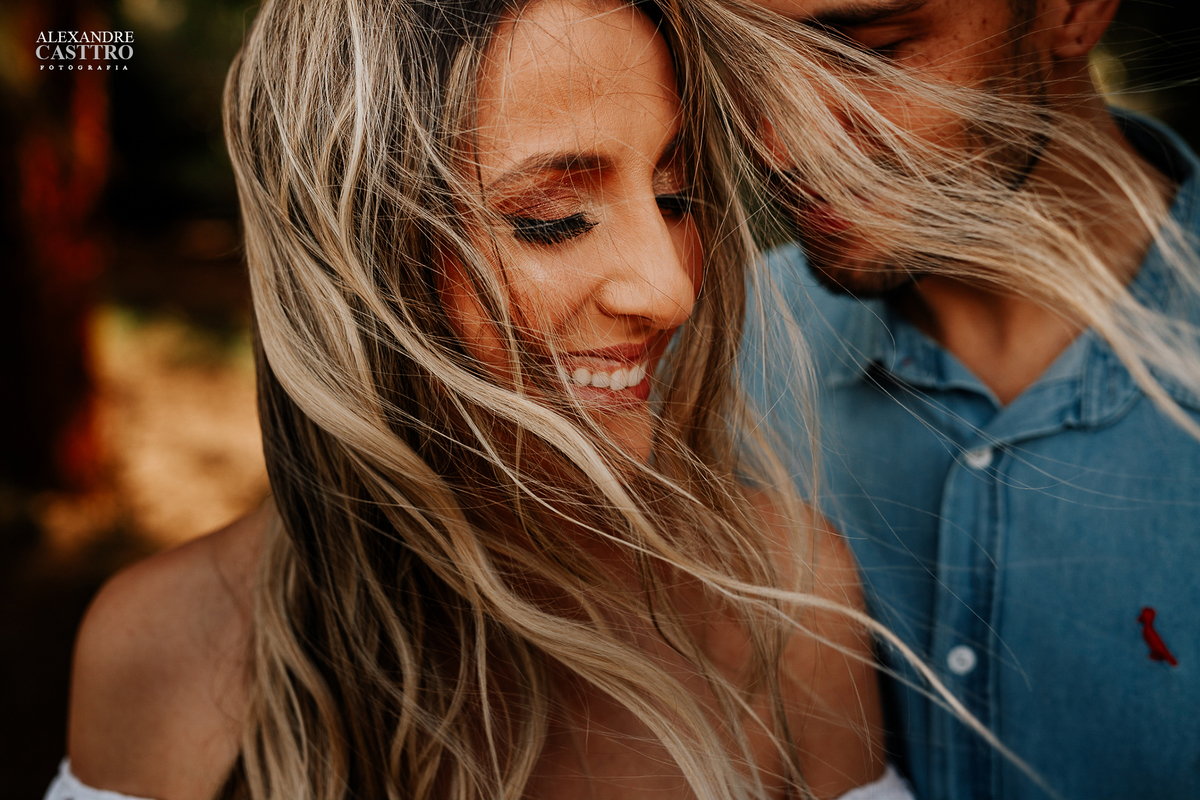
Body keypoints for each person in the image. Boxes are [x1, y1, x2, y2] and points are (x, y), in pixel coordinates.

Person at [45, 1, 929, 798]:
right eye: (552, 217)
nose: (669, 291)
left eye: (675, 197)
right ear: (351, 255)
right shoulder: (155, 648)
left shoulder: (786, 603)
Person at [729, 0, 1200, 798]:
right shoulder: (705, 362)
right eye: (740, 68)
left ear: (1072, 10)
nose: (779, 144)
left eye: (873, 52)